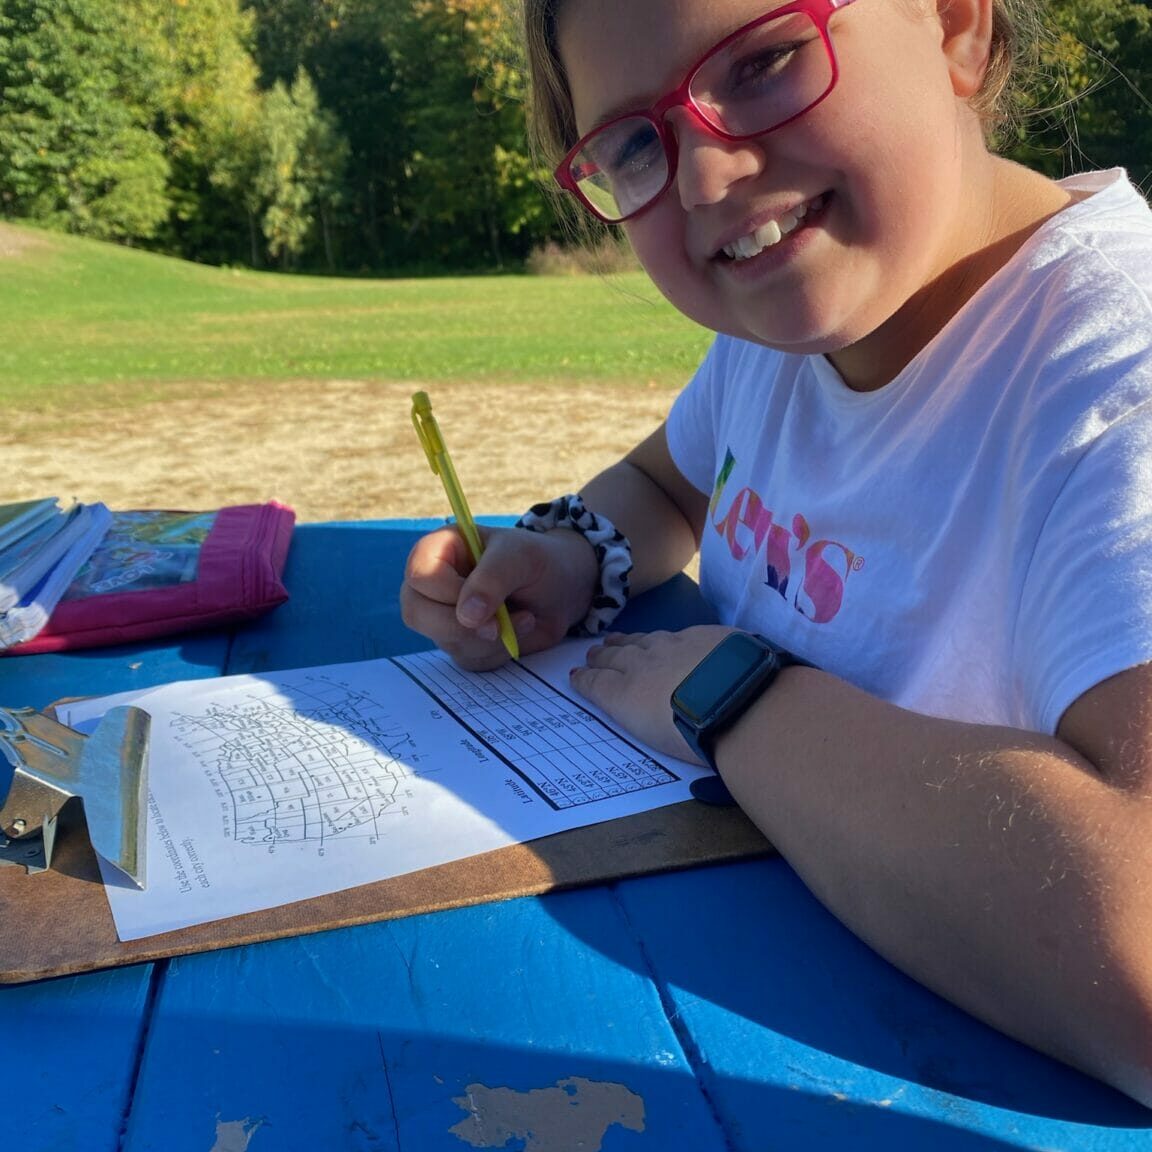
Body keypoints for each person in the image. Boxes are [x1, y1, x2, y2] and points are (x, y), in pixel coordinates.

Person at [400, 0, 1152, 1104]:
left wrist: (737, 700)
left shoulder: (1113, 379)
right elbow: (668, 483)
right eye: (634, 144)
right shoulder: (784, 344)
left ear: (957, 26)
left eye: (762, 63)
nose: (704, 180)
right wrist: (567, 552)